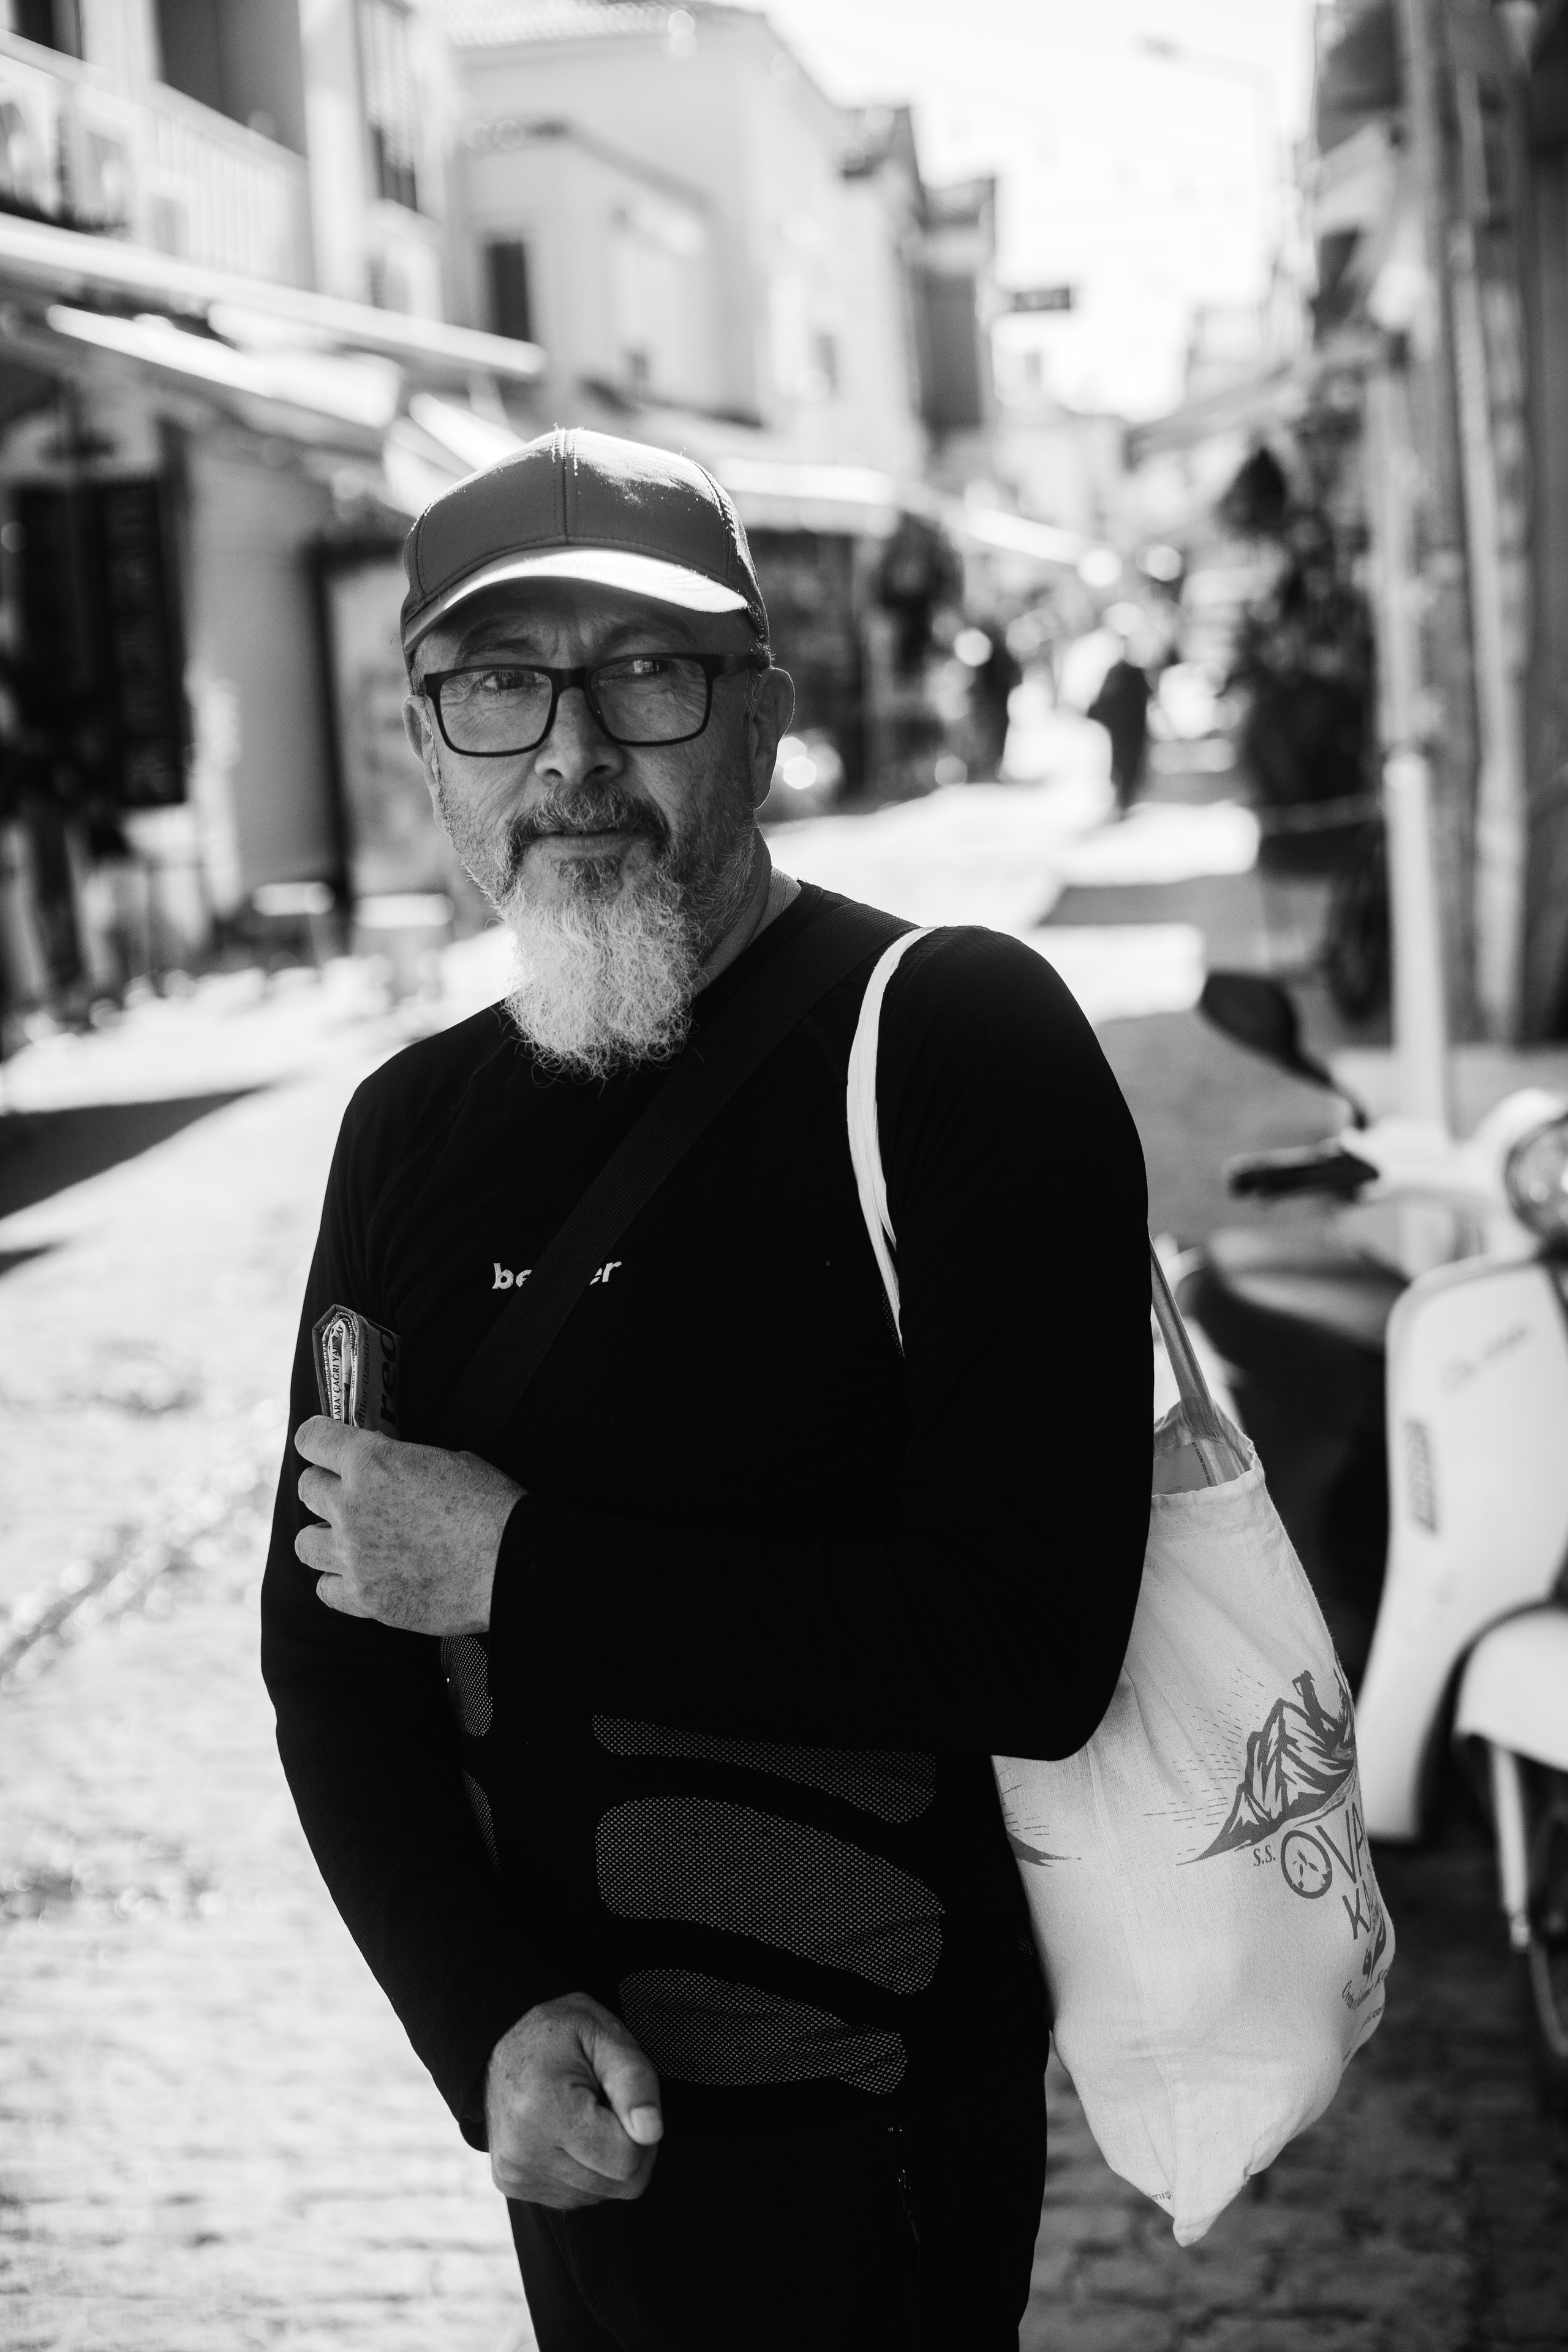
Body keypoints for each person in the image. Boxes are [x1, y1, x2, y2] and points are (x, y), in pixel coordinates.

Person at [260, 428, 1152, 2352]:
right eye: (499, 687)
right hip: (577, 2122)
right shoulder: (404, 1130)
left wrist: (521, 1567)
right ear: (429, 746)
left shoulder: (953, 1044)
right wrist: (478, 2016)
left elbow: (1029, 1637)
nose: (571, 757)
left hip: (878, 2114)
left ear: (763, 714)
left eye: (644, 674)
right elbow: (331, 1656)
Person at [1087, 643, 1153, 816]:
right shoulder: (1130, 673)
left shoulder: (1121, 673)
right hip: (1128, 728)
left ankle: (1123, 798)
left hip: (1124, 729)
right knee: (1126, 763)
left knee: (1122, 762)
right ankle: (1123, 798)